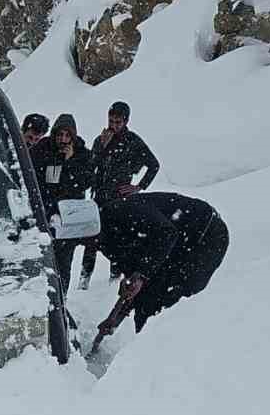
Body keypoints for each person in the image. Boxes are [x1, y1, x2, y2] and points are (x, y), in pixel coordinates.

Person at [92, 191, 229, 341]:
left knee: (171, 303)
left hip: (206, 235)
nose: (84, 245)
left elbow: (167, 233)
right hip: (178, 243)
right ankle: (144, 348)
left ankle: (163, 352)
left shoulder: (123, 211)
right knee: (147, 300)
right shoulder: (105, 240)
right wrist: (121, 309)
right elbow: (135, 273)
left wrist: (141, 276)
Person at [80, 101, 160, 287]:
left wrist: (138, 186)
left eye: (118, 122)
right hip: (99, 196)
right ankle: (83, 282)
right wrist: (101, 146)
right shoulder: (101, 139)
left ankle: (113, 281)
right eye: (111, 121)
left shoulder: (133, 141)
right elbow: (91, 166)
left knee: (118, 238)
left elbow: (153, 165)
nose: (113, 125)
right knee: (91, 239)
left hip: (120, 199)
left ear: (126, 121)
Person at [31, 113, 94, 292]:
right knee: (42, 260)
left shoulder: (82, 153)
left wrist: (70, 162)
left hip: (68, 217)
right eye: (60, 135)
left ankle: (61, 299)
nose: (63, 140)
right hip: (45, 212)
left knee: (64, 263)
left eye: (67, 136)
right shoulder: (43, 148)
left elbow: (87, 181)